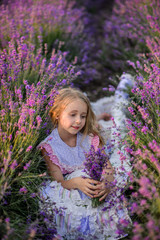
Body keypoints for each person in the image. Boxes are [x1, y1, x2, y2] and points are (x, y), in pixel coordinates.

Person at [38, 87, 131, 240]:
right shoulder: (50, 147)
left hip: (92, 182)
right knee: (63, 196)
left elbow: (106, 166)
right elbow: (58, 182)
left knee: (107, 190)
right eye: (72, 115)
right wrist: (76, 183)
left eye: (83, 116)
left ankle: (103, 227)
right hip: (72, 186)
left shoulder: (88, 138)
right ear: (56, 115)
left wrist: (107, 181)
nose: (78, 121)